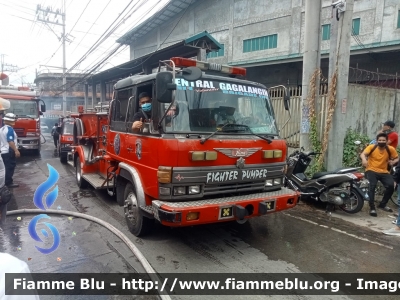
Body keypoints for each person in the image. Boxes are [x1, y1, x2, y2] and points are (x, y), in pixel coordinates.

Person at [360, 132, 399, 216]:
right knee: (372, 186)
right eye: (380, 140)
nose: (381, 141)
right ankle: (372, 207)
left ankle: (382, 204)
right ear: (377, 141)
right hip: (371, 170)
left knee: (391, 186)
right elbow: (363, 154)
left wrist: (393, 162)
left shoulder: (390, 149)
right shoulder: (371, 147)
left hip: (384, 171)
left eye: (383, 140)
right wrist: (364, 160)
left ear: (387, 141)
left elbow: (397, 158)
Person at [0, 113, 20, 188]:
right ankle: (8, 182)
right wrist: (16, 150)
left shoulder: (2, 129)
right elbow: (10, 141)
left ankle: (4, 182)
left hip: (3, 151)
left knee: (4, 167)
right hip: (9, 151)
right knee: (9, 167)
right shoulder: (10, 129)